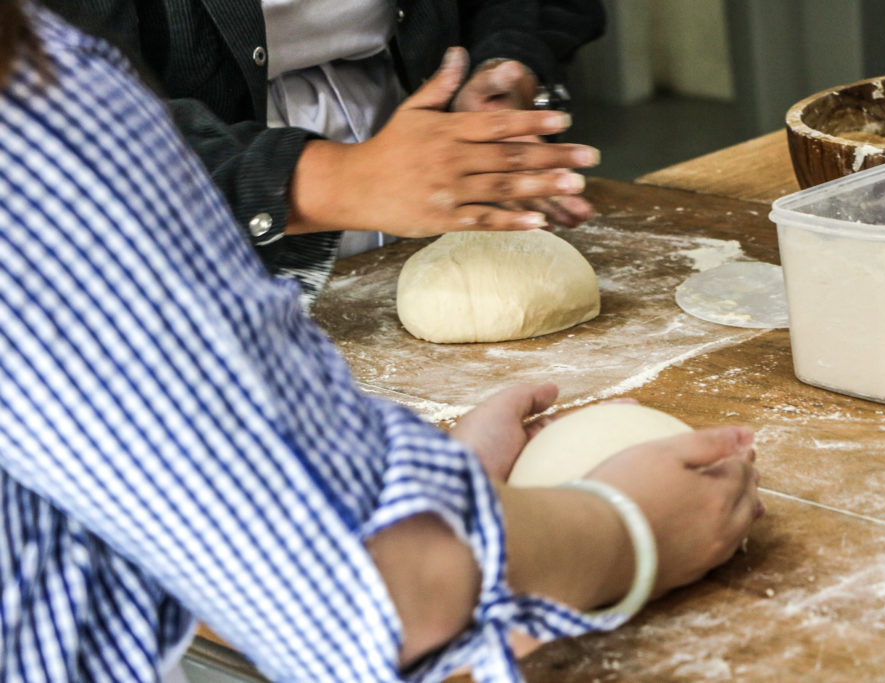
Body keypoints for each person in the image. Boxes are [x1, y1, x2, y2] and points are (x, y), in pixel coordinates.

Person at [0, 4, 762, 681]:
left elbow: (169, 512)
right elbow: (380, 596)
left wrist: (413, 479)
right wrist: (625, 528)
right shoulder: (41, 117)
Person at [44, 0, 607, 299]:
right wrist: (336, 181)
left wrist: (504, 58)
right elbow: (54, 123)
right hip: (191, 239)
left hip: (429, 189)